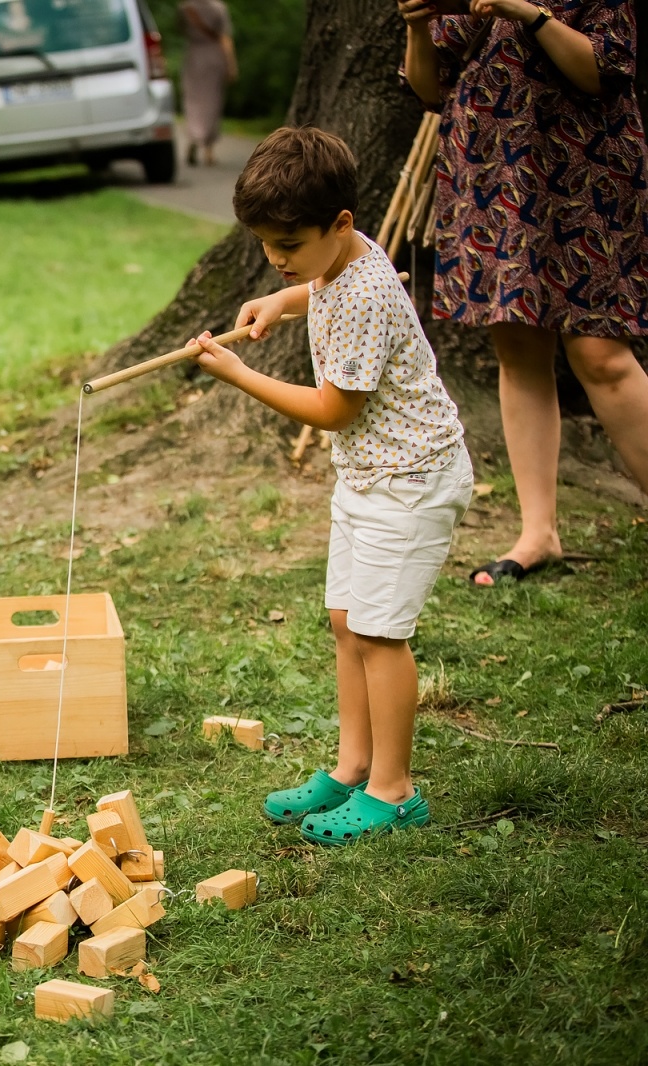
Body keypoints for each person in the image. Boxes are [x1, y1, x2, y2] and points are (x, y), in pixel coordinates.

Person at [188, 128, 471, 844]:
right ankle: (354, 767)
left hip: (410, 481)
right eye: (265, 245)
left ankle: (394, 792)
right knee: (348, 624)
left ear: (339, 224)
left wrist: (240, 376)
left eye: (287, 245)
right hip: (369, 476)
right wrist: (281, 300)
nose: (275, 257)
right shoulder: (342, 257)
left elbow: (333, 410)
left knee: (380, 634)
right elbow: (321, 283)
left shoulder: (365, 296)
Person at [399, 0, 648, 585]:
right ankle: (539, 533)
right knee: (518, 347)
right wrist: (414, 23)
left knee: (601, 356)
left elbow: (602, 69)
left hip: (585, 172)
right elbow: (429, 89)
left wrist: (524, 10)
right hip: (492, 175)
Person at [179, 0, 237, 167]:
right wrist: (231, 64)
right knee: (213, 100)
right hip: (214, 56)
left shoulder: (185, 8)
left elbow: (181, 29)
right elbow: (225, 38)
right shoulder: (219, 8)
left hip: (194, 56)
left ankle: (193, 139)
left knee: (193, 100)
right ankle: (208, 150)